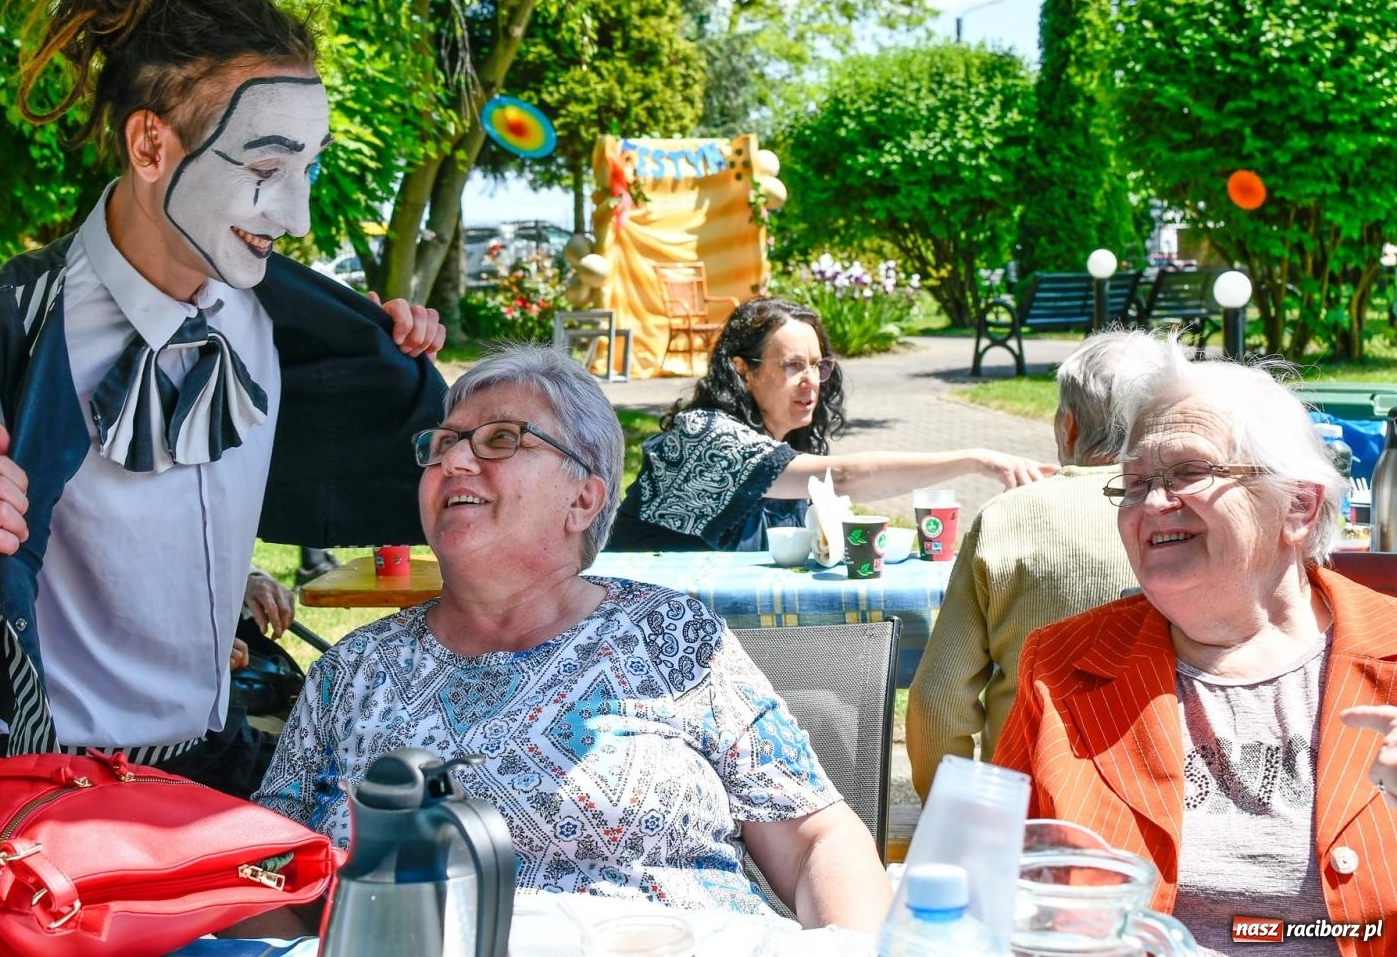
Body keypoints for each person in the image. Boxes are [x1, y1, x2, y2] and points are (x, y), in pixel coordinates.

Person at [0, 0, 446, 792]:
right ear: (151, 148)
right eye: (267, 167)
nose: (300, 215)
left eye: (307, 167)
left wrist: (386, 362)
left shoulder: (275, 320)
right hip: (36, 802)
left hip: (217, 773)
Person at [254, 346, 893, 932]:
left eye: (501, 439)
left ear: (583, 499)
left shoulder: (669, 638)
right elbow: (261, 873)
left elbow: (817, 840)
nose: (452, 460)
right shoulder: (353, 672)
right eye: (442, 445)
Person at [992, 340, 1397, 955]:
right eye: (1134, 484)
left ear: (1298, 506)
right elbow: (991, 884)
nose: (1153, 504)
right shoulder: (1062, 665)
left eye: (1189, 473)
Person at [906, 329, 1165, 799]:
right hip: (1162, 804)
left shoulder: (1006, 517)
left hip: (1025, 810)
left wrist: (957, 817)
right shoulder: (1191, 520)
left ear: (1067, 426)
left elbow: (937, 705)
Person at [607, 297, 1054, 551]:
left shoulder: (783, 446)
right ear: (743, 370)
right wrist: (974, 459)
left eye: (818, 366)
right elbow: (843, 478)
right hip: (638, 632)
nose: (811, 382)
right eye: (792, 366)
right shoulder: (704, 435)